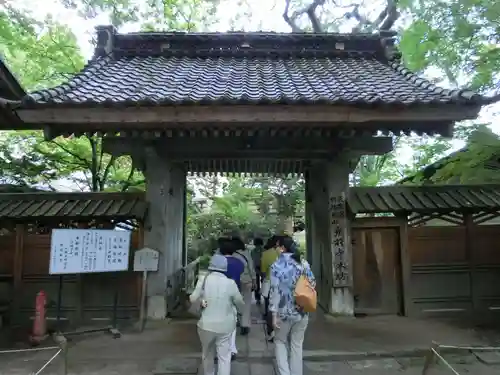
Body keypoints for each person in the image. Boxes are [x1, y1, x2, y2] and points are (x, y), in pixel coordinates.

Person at [190, 254, 244, 375]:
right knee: (224, 357)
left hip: (206, 325)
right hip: (225, 326)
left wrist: (201, 301)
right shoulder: (230, 283)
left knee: (207, 355)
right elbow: (240, 303)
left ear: (211, 266)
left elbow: (193, 298)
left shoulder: (203, 280)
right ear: (225, 267)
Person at [269, 236, 316, 375]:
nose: (276, 249)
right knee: (297, 344)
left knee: (280, 342)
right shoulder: (303, 264)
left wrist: (273, 314)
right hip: (301, 311)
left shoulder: (276, 266)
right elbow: (312, 283)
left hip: (283, 313)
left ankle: (285, 373)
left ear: (282, 248)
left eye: (277, 246)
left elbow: (274, 291)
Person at [218, 237, 244, 358]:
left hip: (219, 292)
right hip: (234, 291)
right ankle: (232, 348)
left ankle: (220, 346)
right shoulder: (238, 262)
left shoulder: (218, 262)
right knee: (233, 320)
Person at [231, 236, 256, 336]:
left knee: (235, 302)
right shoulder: (246, 254)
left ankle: (236, 320)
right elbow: (251, 268)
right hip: (247, 281)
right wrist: (254, 280)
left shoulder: (231, 255)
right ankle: (245, 325)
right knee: (247, 303)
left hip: (234, 282)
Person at [260, 235, 281, 338]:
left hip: (269, 284)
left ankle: (271, 332)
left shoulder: (265, 254)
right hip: (283, 284)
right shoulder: (284, 253)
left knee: (270, 308)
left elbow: (263, 272)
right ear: (277, 243)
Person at [251, 237, 264, 305]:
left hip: (257, 268)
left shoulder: (253, 251)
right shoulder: (264, 250)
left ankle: (258, 298)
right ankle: (261, 297)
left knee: (257, 283)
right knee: (261, 283)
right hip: (260, 268)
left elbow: (252, 260)